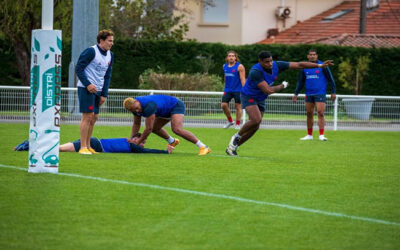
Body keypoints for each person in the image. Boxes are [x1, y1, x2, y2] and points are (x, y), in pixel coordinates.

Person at [225, 51, 334, 156]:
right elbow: (268, 90)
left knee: (256, 126)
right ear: (261, 62)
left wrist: (319, 66)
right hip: (249, 95)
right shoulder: (255, 71)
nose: (270, 63)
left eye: (271, 60)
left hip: (261, 98)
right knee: (256, 119)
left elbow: (299, 64)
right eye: (267, 62)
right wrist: (283, 86)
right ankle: (236, 136)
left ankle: (233, 147)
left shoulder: (277, 65)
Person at [123, 95, 211, 156]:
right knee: (155, 128)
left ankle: (203, 147)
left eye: (137, 108)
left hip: (175, 105)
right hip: (164, 111)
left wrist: (138, 142)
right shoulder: (134, 108)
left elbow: (148, 128)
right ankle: (172, 141)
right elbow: (136, 124)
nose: (137, 111)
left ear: (137, 101)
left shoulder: (148, 106)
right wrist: (131, 140)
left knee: (177, 129)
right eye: (134, 110)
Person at [75, 29, 115, 155]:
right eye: (109, 41)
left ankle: (88, 146)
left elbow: (107, 75)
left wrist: (104, 94)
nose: (112, 43)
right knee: (87, 116)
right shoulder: (91, 51)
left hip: (98, 90)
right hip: (86, 88)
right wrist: (87, 84)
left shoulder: (110, 55)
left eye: (112, 41)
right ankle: (82, 147)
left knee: (94, 117)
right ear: (101, 41)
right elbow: (78, 68)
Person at [292, 49, 336, 141]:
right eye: (310, 55)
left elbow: (331, 80)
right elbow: (300, 82)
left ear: (317, 56)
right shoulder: (305, 67)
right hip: (309, 93)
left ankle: (321, 135)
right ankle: (309, 135)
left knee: (320, 113)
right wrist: (296, 93)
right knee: (309, 114)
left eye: (314, 54)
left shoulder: (323, 66)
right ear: (308, 56)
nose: (312, 56)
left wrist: (333, 91)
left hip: (320, 93)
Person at [14, 133, 174, 154]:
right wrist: (165, 151)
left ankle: (32, 144)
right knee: (60, 149)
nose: (143, 145)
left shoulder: (126, 142)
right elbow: (147, 152)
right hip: (95, 144)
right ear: (136, 140)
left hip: (95, 142)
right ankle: (31, 145)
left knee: (60, 147)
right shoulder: (131, 146)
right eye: (142, 141)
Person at [221, 50, 246, 129]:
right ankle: (230, 121)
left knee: (237, 106)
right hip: (228, 89)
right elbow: (225, 77)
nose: (231, 57)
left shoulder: (240, 66)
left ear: (235, 58)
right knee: (223, 105)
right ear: (227, 58)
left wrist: (245, 90)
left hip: (238, 90)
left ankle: (238, 124)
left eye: (233, 56)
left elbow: (243, 79)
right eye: (229, 56)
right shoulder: (224, 66)